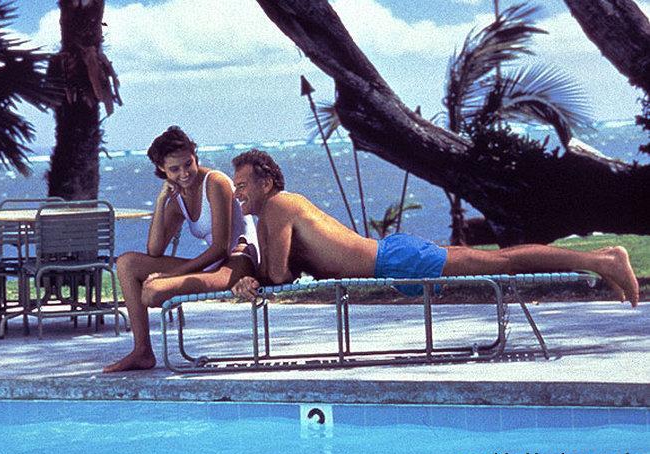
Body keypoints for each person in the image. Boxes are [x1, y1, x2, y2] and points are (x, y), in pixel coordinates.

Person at [229, 149, 639, 308]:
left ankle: (602, 259)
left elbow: (279, 275)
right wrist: (251, 274)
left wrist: (250, 272)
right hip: (394, 259)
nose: (237, 192)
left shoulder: (280, 205)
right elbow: (278, 273)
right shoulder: (270, 214)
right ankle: (600, 262)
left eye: (243, 184)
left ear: (266, 182)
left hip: (396, 260)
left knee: (504, 262)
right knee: (501, 262)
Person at [104, 127, 259, 372]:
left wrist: (170, 276)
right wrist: (162, 199)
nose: (184, 173)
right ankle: (142, 351)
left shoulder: (215, 182)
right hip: (215, 265)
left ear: (195, 156)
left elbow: (220, 248)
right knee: (126, 263)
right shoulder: (178, 198)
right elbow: (154, 249)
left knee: (153, 292)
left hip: (239, 262)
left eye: (188, 164)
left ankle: (144, 348)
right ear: (162, 171)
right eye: (174, 169)